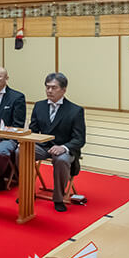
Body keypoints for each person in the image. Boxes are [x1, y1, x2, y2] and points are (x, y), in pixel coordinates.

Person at [27, 72, 85, 213]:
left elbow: (79, 139)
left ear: (64, 90)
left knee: (61, 160)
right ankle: (27, 192)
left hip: (64, 148)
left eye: (54, 88)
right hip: (43, 146)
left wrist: (64, 147)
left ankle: (58, 198)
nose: (49, 91)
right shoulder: (39, 106)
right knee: (20, 152)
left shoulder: (75, 110)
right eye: (47, 87)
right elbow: (33, 130)